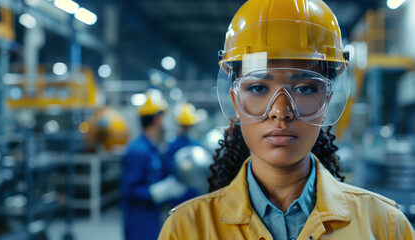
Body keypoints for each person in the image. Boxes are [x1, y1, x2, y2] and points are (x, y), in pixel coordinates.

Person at [158, 0, 415, 239]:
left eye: (304, 88)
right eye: (258, 88)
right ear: (236, 102)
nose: (280, 111)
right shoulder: (186, 229)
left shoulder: (386, 227)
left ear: (326, 101)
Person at [121, 89, 187, 240]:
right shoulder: (137, 151)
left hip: (152, 217)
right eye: (163, 116)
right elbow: (130, 191)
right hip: (139, 222)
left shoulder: (153, 148)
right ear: (157, 119)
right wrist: (156, 192)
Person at [164, 103, 200, 176]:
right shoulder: (172, 146)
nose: (187, 129)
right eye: (185, 126)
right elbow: (167, 169)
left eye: (188, 126)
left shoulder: (196, 145)